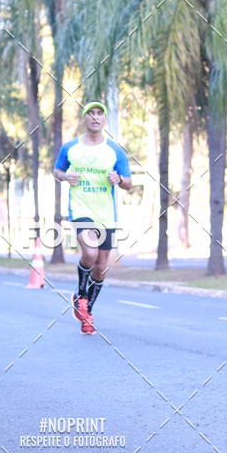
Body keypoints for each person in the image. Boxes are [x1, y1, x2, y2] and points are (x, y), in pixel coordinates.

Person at [54, 102, 132, 334]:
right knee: (90, 253)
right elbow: (57, 170)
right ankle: (81, 296)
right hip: (81, 210)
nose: (95, 117)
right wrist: (65, 176)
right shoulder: (70, 148)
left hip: (106, 214)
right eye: (91, 114)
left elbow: (129, 182)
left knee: (101, 268)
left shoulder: (115, 151)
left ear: (105, 120)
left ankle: (86, 311)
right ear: (84, 119)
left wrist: (119, 180)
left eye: (99, 114)